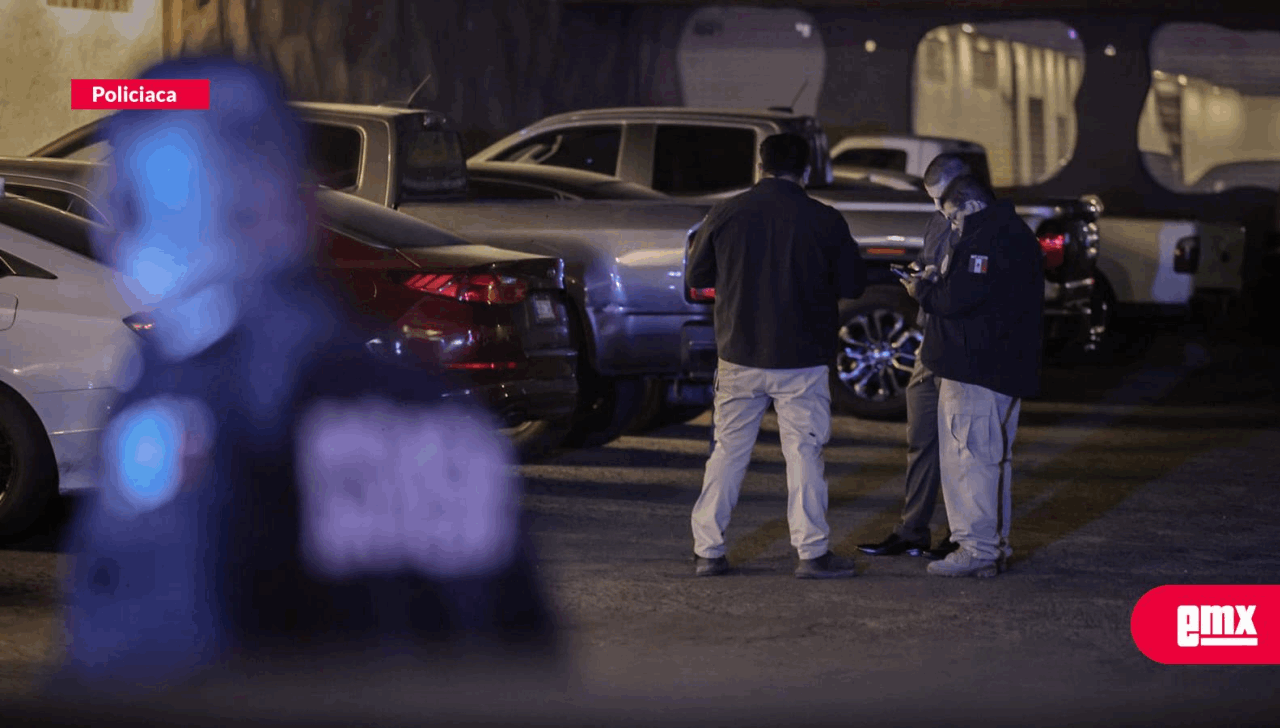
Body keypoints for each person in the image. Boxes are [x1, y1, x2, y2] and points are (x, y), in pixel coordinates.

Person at [49, 57, 563, 697]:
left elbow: (144, 660)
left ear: (123, 217)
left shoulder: (188, 413)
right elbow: (524, 653)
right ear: (303, 208)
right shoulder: (437, 410)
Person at [686, 133, 876, 579]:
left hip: (739, 353)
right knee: (805, 454)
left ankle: (707, 552)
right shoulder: (824, 219)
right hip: (802, 357)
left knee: (728, 453)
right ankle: (812, 553)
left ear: (761, 166)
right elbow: (853, 285)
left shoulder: (726, 212)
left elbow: (698, 275)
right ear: (806, 170)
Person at [902, 174, 1044, 578]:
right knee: (992, 460)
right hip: (1002, 368)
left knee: (970, 460)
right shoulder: (1015, 233)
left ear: (971, 206)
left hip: (975, 369)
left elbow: (958, 299)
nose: (952, 226)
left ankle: (976, 549)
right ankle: (991, 547)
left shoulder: (984, 240)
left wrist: (922, 291)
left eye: (953, 217)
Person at [856, 154, 985, 561]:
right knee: (922, 440)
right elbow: (937, 270)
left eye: (940, 198)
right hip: (930, 342)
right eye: (931, 199)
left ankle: (961, 533)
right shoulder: (938, 222)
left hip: (960, 347)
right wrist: (922, 277)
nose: (935, 207)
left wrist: (935, 284)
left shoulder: (982, 227)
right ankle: (912, 530)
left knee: (962, 445)